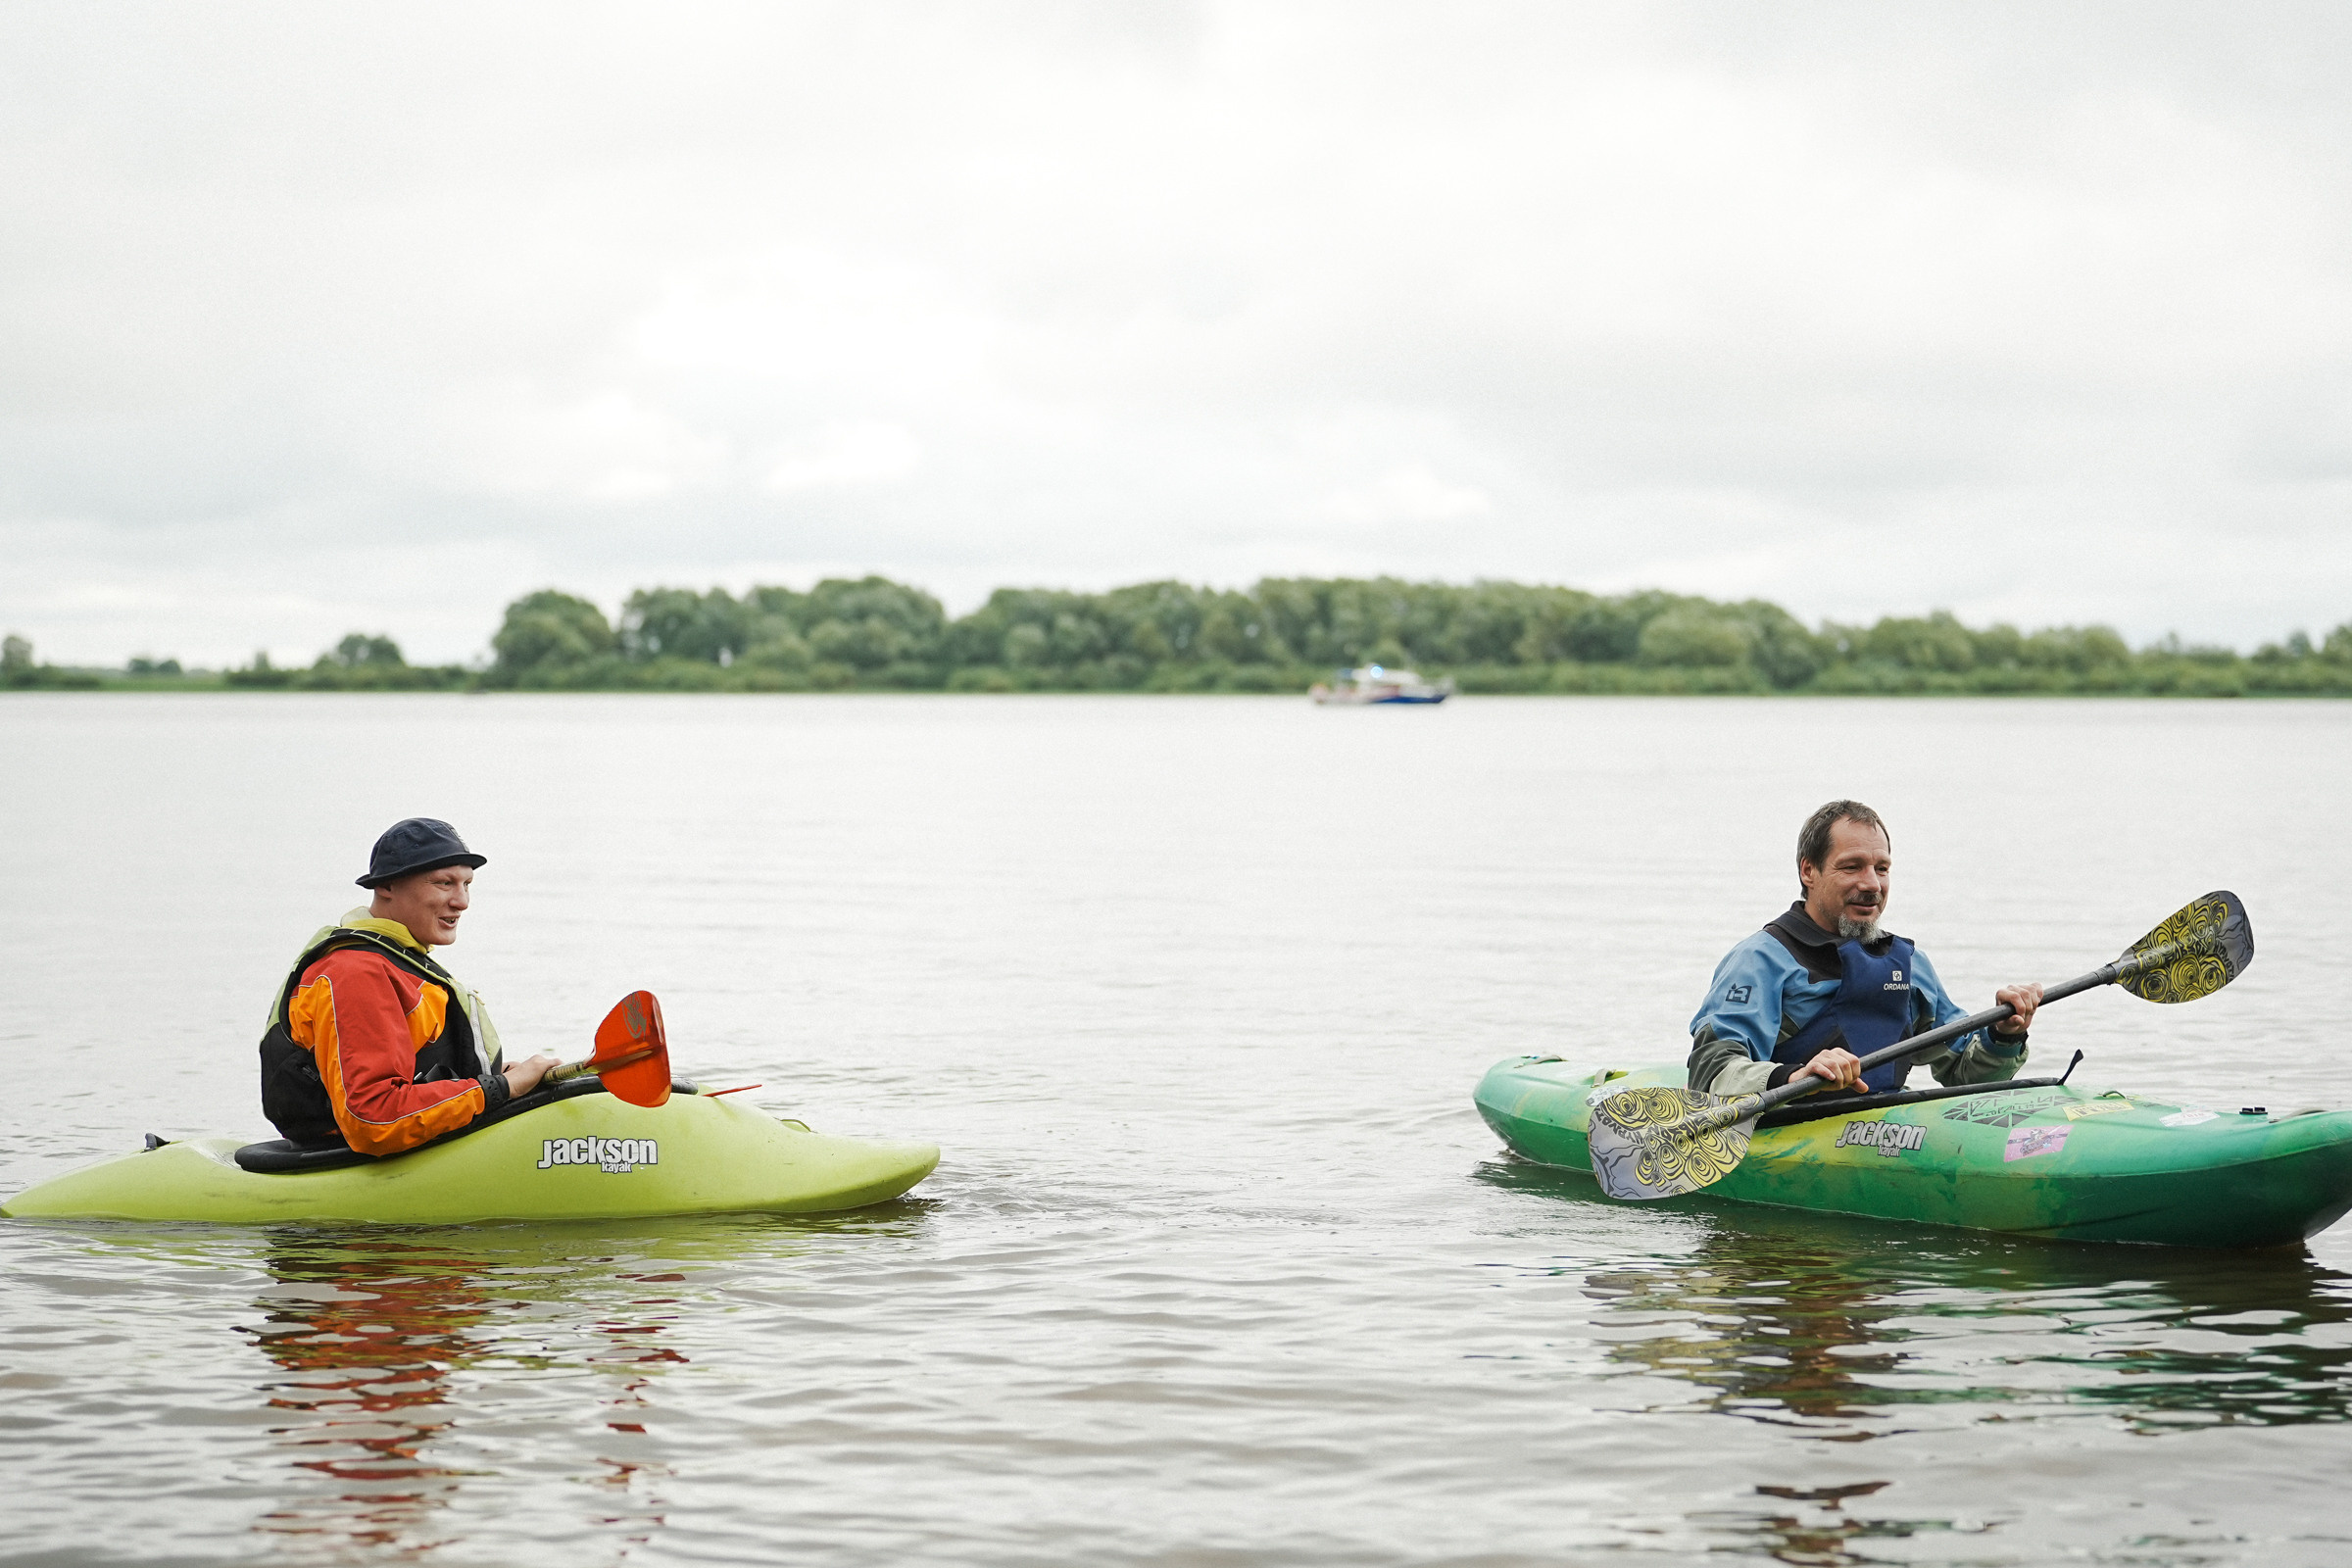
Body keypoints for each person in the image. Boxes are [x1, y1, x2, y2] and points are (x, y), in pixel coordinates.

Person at [1687, 800, 2043, 1098]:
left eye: (1882, 868)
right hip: (1790, 1128)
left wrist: (2004, 1036)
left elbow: (1963, 1076)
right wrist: (1793, 1077)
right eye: (1852, 867)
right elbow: (1711, 1074)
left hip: (1886, 1133)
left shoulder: (1910, 965)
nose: (1872, 884)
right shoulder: (1760, 960)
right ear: (1809, 871)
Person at [257, 818, 558, 1154]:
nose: (462, 902)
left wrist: (494, 1076)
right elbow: (373, 1118)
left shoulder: (399, 962)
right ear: (387, 886)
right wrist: (499, 1088)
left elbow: (412, 1073)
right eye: (445, 883)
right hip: (349, 1159)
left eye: (467, 884)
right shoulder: (356, 972)